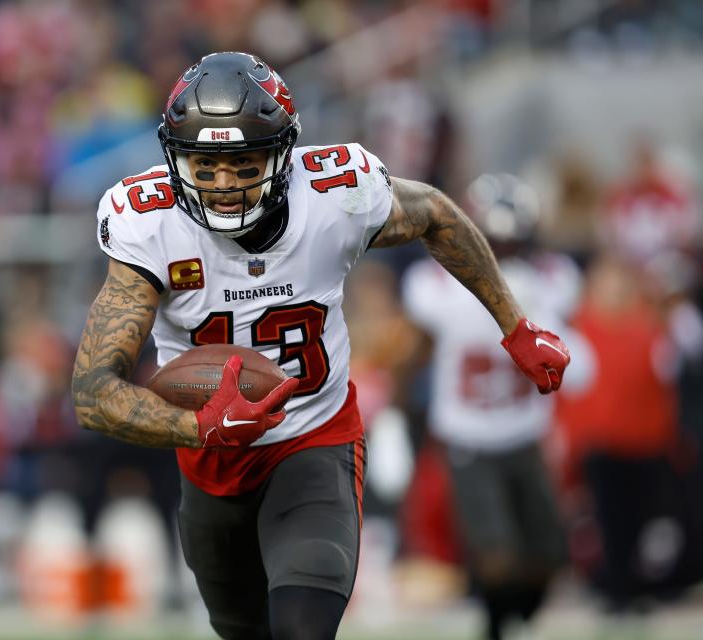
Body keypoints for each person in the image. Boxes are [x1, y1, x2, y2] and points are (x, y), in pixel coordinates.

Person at [72, 52, 571, 640]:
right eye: (204, 165)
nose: (224, 185)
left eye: (243, 162)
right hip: (210, 463)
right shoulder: (149, 225)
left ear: (283, 155)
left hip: (314, 440)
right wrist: (199, 426)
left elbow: (437, 215)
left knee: (303, 630)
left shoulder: (335, 194)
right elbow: (91, 393)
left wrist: (515, 326)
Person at [402, 173, 581, 639]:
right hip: (469, 437)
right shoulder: (437, 287)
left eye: (510, 243)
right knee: (497, 556)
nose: (502, 253)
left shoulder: (553, 279)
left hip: (525, 433)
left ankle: (510, 620)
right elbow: (443, 306)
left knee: (549, 556)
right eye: (493, 242)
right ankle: (495, 628)